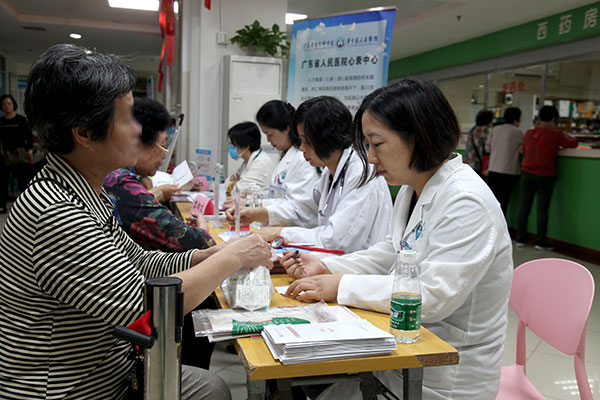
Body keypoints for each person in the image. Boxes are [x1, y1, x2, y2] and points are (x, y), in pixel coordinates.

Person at [0, 43, 273, 400]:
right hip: (72, 389)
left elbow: (138, 261)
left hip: (108, 367)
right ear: (84, 133)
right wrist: (233, 258)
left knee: (214, 387)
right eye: (127, 118)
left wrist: (205, 256)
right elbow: (146, 304)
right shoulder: (55, 211)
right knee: (213, 389)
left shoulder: (86, 191)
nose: (137, 129)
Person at [281, 80, 513, 400]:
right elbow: (393, 253)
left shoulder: (467, 201)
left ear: (420, 136)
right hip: (400, 354)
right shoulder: (412, 188)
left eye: (377, 144)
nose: (371, 158)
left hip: (444, 376)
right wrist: (327, 266)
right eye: (367, 145)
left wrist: (340, 285)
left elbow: (431, 295)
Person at [229, 96, 393, 254]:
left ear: (326, 138)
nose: (301, 148)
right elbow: (303, 210)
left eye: (306, 140)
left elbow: (338, 240)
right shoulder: (330, 172)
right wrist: (256, 213)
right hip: (336, 261)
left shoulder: (360, 172)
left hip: (358, 265)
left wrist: (281, 232)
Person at [104, 97, 214, 252]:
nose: (165, 154)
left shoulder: (114, 173)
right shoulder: (121, 182)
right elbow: (198, 242)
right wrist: (202, 228)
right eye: (163, 146)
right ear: (138, 142)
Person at [230, 100, 319, 227]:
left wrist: (257, 208)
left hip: (295, 228)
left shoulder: (303, 159)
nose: (268, 140)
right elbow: (278, 196)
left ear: (287, 129)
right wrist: (254, 202)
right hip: (281, 226)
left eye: (270, 134)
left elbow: (299, 209)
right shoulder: (285, 156)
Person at [517, 105, 578, 250]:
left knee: (524, 207)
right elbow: (573, 142)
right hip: (545, 176)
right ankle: (540, 241)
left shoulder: (529, 133)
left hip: (527, 173)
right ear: (553, 119)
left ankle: (520, 238)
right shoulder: (555, 134)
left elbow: (524, 150)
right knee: (542, 209)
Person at [485, 107, 524, 215]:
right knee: (504, 202)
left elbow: (487, 148)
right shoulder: (518, 132)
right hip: (509, 172)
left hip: (493, 169)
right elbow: (523, 150)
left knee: (492, 201)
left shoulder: (495, 129)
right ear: (516, 120)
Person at [0, 94, 35, 213]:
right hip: (5, 155)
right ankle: (2, 205)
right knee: (3, 181)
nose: (7, 106)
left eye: (9, 103)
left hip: (20, 154)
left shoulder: (21, 120)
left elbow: (28, 137)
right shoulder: (1, 121)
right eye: (4, 104)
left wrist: (30, 152)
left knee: (23, 182)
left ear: (13, 105)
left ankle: (25, 207)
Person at [227, 121, 276, 195]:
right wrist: (233, 183)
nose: (231, 148)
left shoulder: (260, 163)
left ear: (246, 146)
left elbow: (237, 191)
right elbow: (229, 181)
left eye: (234, 145)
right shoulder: (248, 160)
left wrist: (234, 184)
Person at [464, 109, 494, 176]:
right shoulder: (484, 130)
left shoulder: (473, 129)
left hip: (468, 162)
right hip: (477, 163)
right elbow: (488, 146)